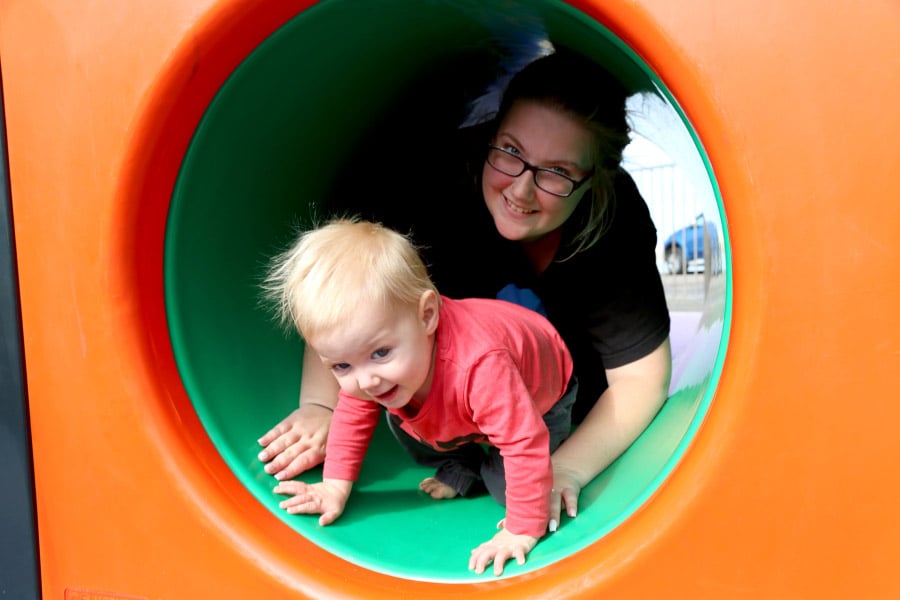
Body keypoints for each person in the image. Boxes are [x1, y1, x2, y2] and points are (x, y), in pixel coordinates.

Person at [257, 47, 671, 537]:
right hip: (447, 387)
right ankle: (465, 463)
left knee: (513, 472)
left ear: (594, 178)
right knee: (403, 404)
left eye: (557, 172)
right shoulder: (435, 184)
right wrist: (321, 405)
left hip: (547, 394)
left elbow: (641, 379)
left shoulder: (612, 229)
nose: (521, 190)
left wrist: (569, 468)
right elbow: (348, 289)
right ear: (491, 135)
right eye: (511, 152)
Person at [263, 218, 576, 576]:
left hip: (541, 394)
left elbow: (524, 440)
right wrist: (334, 486)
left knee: (513, 488)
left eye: (381, 353)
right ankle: (466, 461)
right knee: (401, 417)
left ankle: (479, 463)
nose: (365, 380)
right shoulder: (373, 369)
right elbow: (351, 412)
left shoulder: (479, 363)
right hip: (467, 397)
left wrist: (522, 530)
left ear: (427, 315)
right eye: (341, 366)